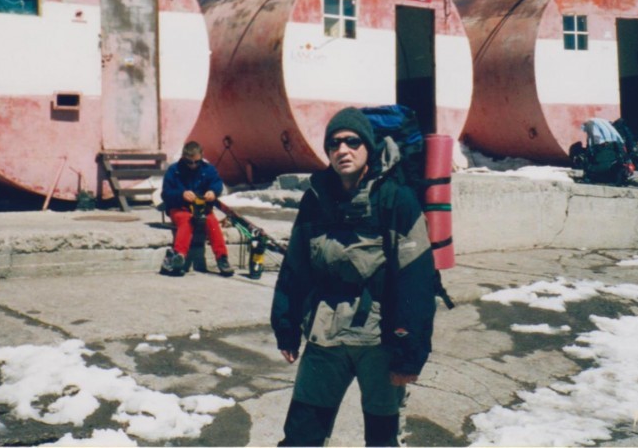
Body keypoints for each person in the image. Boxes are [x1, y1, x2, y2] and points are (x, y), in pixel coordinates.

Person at [271, 107, 436, 447]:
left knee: (381, 439)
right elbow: (295, 268)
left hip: (379, 341)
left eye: (352, 141)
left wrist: (409, 352)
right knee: (301, 435)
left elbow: (416, 280)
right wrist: (286, 326)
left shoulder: (396, 199)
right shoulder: (315, 199)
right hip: (325, 333)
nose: (342, 150)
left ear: (369, 147)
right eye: (334, 143)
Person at [161, 141, 233, 276]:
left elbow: (217, 184)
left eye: (196, 162)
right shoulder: (173, 170)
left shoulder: (209, 170)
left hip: (202, 208)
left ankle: (222, 258)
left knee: (212, 224)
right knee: (187, 221)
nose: (193, 165)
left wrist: (213, 192)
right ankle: (179, 255)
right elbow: (166, 193)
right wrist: (181, 195)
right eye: (189, 162)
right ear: (183, 157)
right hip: (180, 208)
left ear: (201, 157)